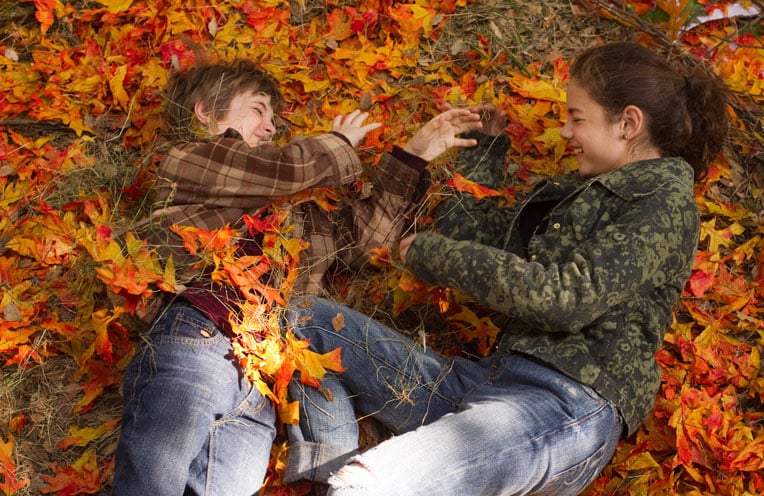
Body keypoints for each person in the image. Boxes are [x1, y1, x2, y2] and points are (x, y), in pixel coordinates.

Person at [284, 42, 729, 495]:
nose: (564, 133)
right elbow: (468, 232)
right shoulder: (570, 195)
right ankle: (323, 477)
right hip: (487, 385)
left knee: (368, 484)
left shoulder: (663, 202)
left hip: (563, 406)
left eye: (577, 118)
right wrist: (483, 151)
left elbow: (565, 299)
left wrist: (433, 256)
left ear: (628, 123)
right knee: (306, 319)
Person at [111, 58, 485, 496]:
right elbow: (286, 170)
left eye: (274, 118)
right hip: (198, 334)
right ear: (205, 113)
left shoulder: (292, 214)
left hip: (260, 379)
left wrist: (413, 155)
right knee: (152, 484)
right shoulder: (190, 160)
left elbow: (366, 239)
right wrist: (337, 142)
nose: (271, 126)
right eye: (258, 109)